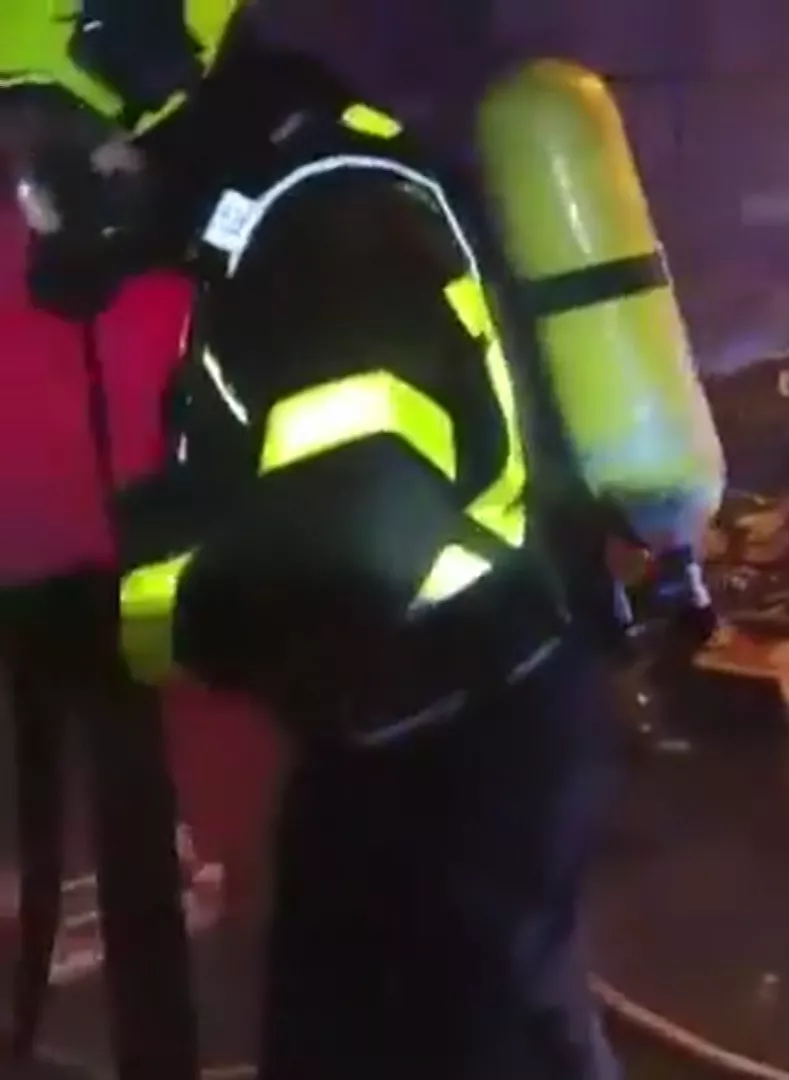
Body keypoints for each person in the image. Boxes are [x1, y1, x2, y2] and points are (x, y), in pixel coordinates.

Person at [0, 5, 724, 1079]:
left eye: (45, 131)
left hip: (454, 757)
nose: (37, 186)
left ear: (133, 72)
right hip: (419, 736)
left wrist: (116, 625)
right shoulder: (271, 209)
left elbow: (351, 563)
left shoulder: (324, 228)